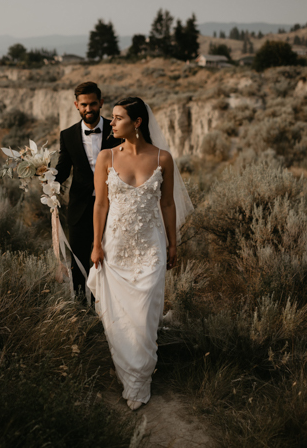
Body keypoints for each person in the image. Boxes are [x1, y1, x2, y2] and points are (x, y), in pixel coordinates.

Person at [87, 97, 193, 411]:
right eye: (112, 118)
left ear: (137, 122)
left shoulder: (163, 158)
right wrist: (96, 244)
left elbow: (168, 204)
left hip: (151, 248)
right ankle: (130, 379)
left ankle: (140, 380)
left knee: (145, 317)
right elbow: (101, 204)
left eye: (118, 118)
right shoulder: (106, 157)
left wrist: (174, 244)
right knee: (120, 317)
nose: (112, 123)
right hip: (116, 248)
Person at [55, 82, 123, 305]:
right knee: (79, 262)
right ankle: (79, 309)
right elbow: (63, 170)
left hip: (114, 207)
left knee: (109, 259)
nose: (89, 108)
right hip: (79, 209)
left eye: (93, 103)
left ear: (101, 103)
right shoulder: (67, 136)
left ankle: (103, 308)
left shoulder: (118, 132)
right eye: (84, 104)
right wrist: (44, 175)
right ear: (76, 105)